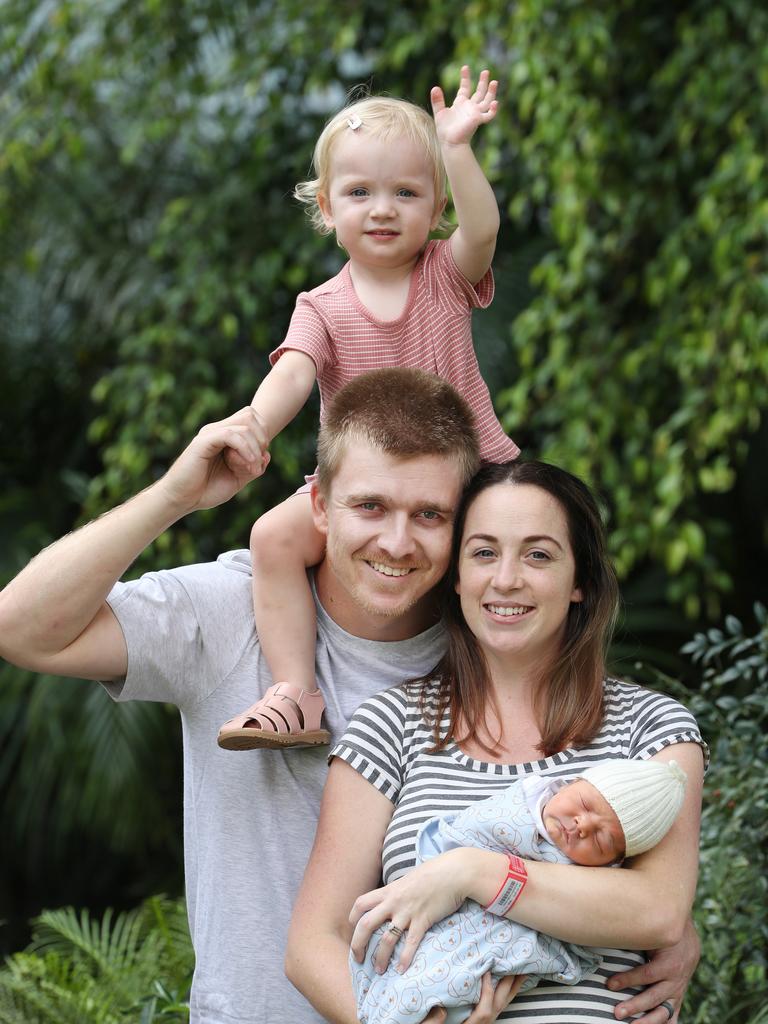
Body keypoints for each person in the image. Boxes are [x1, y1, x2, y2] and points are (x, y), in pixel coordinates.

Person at [0, 368, 480, 1024]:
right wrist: (173, 496)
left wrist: (665, 935)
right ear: (318, 505)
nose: (397, 542)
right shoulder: (235, 608)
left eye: (430, 515)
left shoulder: (494, 650)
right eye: (370, 506)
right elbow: (20, 630)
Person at [286, 460, 707, 1024]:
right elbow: (313, 944)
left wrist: (473, 873)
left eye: (538, 555)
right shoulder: (391, 725)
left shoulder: (652, 728)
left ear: (579, 579)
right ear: (456, 574)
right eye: (484, 552)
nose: (506, 579)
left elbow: (657, 910)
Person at [216, 65, 520, 752]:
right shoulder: (320, 308)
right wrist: (256, 425)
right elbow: (293, 374)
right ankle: (295, 693)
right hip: (365, 493)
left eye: (406, 193)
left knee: (512, 557)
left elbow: (486, 225)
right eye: (360, 192)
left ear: (434, 205)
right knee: (271, 538)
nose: (383, 209)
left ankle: (520, 698)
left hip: (469, 478)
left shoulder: (446, 271)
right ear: (327, 207)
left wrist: (459, 151)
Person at [354, 759, 688, 1024]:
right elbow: (462, 836)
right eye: (585, 803)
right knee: (386, 962)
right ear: (569, 784)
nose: (583, 825)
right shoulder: (521, 807)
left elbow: (655, 911)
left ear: (616, 861)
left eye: (603, 839)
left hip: (492, 958)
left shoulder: (653, 725)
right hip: (433, 934)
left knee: (442, 990)